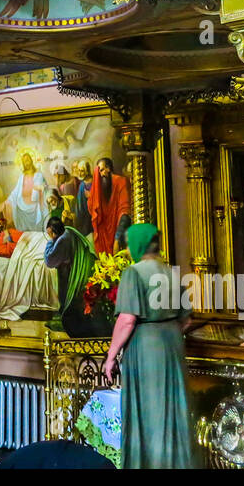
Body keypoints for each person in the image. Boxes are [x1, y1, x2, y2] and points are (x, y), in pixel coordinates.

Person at [103, 224, 192, 469]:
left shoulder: (135, 273)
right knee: (171, 411)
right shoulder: (170, 272)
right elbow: (187, 319)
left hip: (146, 348)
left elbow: (128, 319)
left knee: (150, 412)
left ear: (136, 244)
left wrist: (110, 357)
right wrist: (166, 332)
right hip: (172, 344)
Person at [43, 217, 97, 336]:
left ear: (54, 231)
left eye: (50, 233)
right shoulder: (68, 231)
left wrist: (50, 242)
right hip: (72, 269)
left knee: (68, 298)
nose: (49, 236)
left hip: (71, 272)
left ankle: (68, 322)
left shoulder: (63, 240)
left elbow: (49, 261)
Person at [87, 157, 130, 254]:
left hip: (119, 234)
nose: (101, 174)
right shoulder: (100, 187)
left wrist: (117, 239)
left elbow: (125, 211)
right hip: (103, 237)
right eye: (98, 172)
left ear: (109, 168)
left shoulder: (121, 182)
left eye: (102, 170)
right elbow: (92, 207)